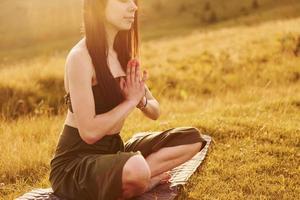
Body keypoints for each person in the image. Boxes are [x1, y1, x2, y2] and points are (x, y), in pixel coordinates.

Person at [49, 0, 207, 199]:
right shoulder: (80, 58)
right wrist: (130, 102)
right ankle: (143, 179)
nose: (134, 7)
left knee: (192, 138)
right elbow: (89, 132)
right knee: (136, 167)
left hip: (114, 151)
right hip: (75, 164)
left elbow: (155, 110)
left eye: (134, 1)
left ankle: (138, 177)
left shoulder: (123, 55)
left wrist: (140, 101)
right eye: (124, 0)